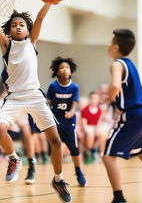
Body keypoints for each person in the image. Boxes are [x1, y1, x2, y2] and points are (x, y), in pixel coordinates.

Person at [0, 0, 72, 203]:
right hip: (13, 97)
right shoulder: (7, 45)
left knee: (55, 142)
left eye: (22, 24)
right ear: (10, 31)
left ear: (28, 28)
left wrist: (50, 0)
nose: (18, 26)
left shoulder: (32, 41)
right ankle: (14, 158)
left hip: (35, 96)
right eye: (14, 25)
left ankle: (59, 179)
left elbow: (40, 18)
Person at [103, 29, 142, 203]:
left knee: (107, 155)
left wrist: (109, 100)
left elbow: (114, 86)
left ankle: (118, 197)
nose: (108, 45)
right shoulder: (130, 63)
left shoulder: (117, 64)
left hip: (133, 114)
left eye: (110, 42)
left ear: (115, 47)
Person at [47, 56, 86, 186]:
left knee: (73, 149)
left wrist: (72, 112)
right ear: (57, 72)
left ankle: (79, 171)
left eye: (67, 68)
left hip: (69, 121)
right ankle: (58, 176)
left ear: (70, 71)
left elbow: (75, 104)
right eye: (62, 68)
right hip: (55, 121)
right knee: (55, 148)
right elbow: (48, 103)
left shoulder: (75, 87)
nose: (64, 70)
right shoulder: (53, 86)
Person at [81, 92, 102, 164]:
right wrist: (86, 129)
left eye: (95, 98)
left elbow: (99, 121)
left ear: (98, 100)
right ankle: (89, 151)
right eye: (92, 98)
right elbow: (84, 122)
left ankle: (94, 149)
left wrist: (97, 129)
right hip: (88, 127)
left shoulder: (100, 110)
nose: (93, 100)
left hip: (95, 127)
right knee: (90, 134)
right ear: (89, 99)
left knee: (101, 134)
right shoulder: (85, 109)